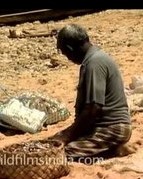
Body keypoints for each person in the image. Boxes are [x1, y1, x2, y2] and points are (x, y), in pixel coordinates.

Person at [49, 24, 133, 161]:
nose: (68, 58)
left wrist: (66, 135)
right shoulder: (95, 58)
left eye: (65, 54)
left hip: (111, 129)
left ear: (70, 49)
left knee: (59, 155)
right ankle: (112, 149)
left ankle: (112, 150)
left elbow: (93, 110)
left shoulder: (94, 64)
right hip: (108, 128)